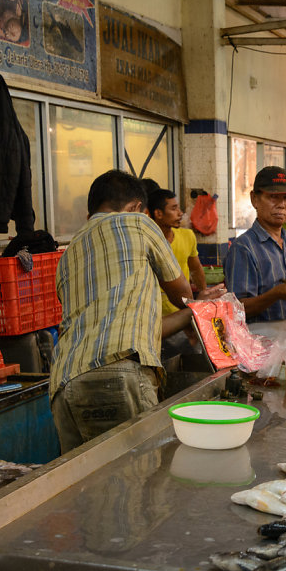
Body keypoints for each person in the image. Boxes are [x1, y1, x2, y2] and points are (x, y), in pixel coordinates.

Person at [50, 170, 193, 452]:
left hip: (63, 384)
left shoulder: (68, 252)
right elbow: (183, 295)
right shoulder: (138, 223)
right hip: (118, 373)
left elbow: (132, 328)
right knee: (140, 481)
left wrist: (188, 316)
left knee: (82, 489)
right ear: (135, 208)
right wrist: (195, 307)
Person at [224, 166, 286, 337]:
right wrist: (275, 295)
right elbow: (237, 309)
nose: (282, 205)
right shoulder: (244, 247)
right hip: (260, 337)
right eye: (273, 197)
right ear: (254, 199)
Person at [147, 188, 207, 317]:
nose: (180, 213)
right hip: (156, 315)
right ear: (158, 213)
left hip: (182, 312)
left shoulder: (188, 236)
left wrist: (204, 296)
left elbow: (196, 269)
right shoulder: (147, 241)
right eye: (174, 209)